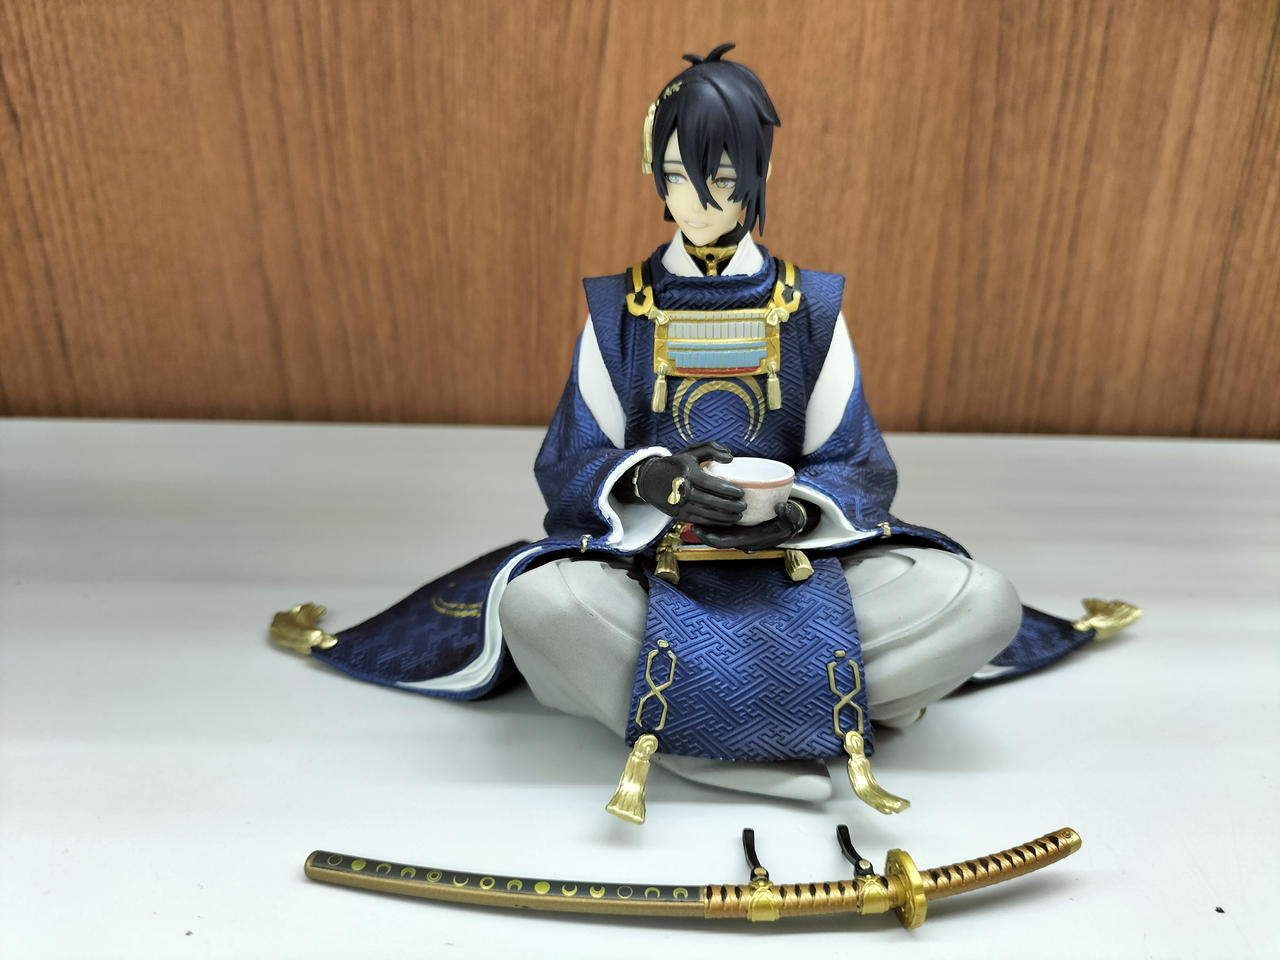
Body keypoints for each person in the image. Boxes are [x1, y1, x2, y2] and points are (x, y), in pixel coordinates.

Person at [271, 43, 1138, 823]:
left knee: (983, 600)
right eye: (678, 176)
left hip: (807, 571)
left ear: (759, 172)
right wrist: (649, 481)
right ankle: (825, 715)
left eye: (722, 177)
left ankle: (683, 725)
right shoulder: (618, 310)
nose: (700, 199)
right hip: (649, 574)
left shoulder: (811, 307)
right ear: (654, 175)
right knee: (539, 607)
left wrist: (795, 510)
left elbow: (858, 464)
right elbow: (568, 463)